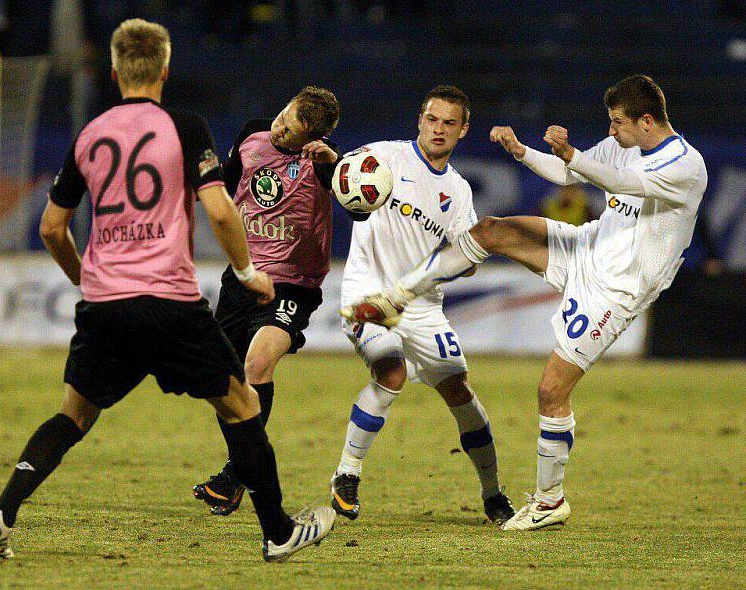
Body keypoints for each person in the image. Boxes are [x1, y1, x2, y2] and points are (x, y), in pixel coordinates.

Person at [0, 18, 335, 562]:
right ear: (165, 69)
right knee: (241, 404)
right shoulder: (185, 127)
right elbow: (218, 208)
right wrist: (245, 271)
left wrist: (84, 280)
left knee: (72, 415)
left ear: (114, 71)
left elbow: (51, 227)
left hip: (105, 305)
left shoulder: (90, 134)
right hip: (168, 301)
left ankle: (1, 514)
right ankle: (278, 531)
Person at [341, 75, 707, 530]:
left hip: (618, 289)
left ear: (647, 120)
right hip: (587, 246)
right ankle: (399, 295)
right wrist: (523, 152)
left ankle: (550, 501)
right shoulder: (626, 143)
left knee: (552, 392)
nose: (612, 131)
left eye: (617, 123)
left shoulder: (686, 166)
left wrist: (573, 155)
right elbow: (574, 173)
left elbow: (621, 182)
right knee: (492, 230)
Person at [329, 85, 514, 526]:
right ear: (420, 120)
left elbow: (466, 257)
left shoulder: (459, 191)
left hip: (423, 307)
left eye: (450, 123)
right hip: (368, 293)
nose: (439, 129)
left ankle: (493, 494)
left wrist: (465, 262)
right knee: (390, 371)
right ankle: (346, 474)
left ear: (463, 130)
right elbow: (342, 173)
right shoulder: (384, 158)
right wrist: (327, 160)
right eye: (432, 119)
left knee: (460, 392)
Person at [191, 86, 343, 516]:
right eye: (282, 114)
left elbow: (361, 206)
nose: (278, 127)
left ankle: (237, 475)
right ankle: (238, 473)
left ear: (309, 136)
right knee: (225, 382)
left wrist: (334, 166)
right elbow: (225, 177)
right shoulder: (254, 134)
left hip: (291, 287)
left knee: (258, 364)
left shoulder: (324, 161)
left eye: (289, 128)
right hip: (242, 276)